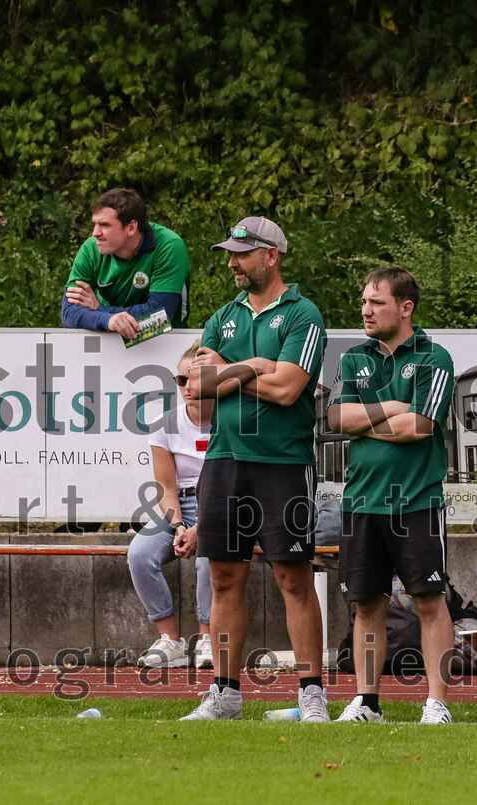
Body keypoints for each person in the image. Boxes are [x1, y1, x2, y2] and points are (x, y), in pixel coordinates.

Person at [180, 216, 327, 722]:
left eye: (241, 254)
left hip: (282, 462)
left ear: (271, 255)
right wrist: (256, 367)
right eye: (230, 253)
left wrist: (228, 371)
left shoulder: (304, 314)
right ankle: (225, 695)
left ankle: (311, 696)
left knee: (293, 577)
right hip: (223, 459)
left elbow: (289, 389)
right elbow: (197, 388)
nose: (231, 262)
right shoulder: (223, 314)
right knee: (223, 577)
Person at [326, 266, 455, 725]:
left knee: (428, 601)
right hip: (361, 502)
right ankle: (368, 704)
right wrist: (395, 408)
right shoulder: (351, 359)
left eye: (376, 303)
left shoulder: (434, 358)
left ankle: (436, 704)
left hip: (417, 503)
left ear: (405, 308)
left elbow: (418, 428)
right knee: (367, 604)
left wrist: (372, 419)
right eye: (363, 301)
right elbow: (336, 420)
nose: (365, 310)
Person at [128, 340, 214, 668]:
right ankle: (172, 642)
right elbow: (166, 489)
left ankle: (207, 639)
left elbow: (232, 489)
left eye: (194, 379)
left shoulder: (230, 422)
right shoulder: (165, 425)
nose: (187, 387)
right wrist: (179, 526)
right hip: (182, 509)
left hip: (222, 509)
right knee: (139, 554)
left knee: (209, 555)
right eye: (181, 380)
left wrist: (200, 530)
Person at [62, 188, 190, 340]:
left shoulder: (169, 246)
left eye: (104, 225)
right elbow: (68, 314)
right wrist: (108, 320)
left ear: (131, 227)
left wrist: (100, 309)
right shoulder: (92, 247)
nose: (95, 233)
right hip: (108, 338)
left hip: (163, 341)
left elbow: (159, 321)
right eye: (95, 224)